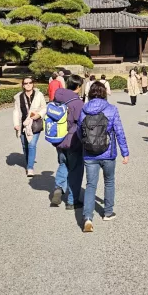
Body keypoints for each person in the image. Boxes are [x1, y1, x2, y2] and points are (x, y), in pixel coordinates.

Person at [80, 81, 130, 233]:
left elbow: (78, 131)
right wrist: (125, 152)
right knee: (109, 182)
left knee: (90, 185)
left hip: (89, 153)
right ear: (104, 93)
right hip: (108, 152)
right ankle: (108, 212)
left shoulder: (84, 110)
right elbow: (119, 132)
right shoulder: (111, 109)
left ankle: (88, 217)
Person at [51, 74, 85, 210]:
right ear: (78, 87)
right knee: (76, 169)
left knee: (63, 163)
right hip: (73, 141)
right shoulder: (77, 103)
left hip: (58, 138)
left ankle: (59, 187)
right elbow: (81, 122)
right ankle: (72, 200)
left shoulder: (58, 98)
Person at [12, 77, 46, 177]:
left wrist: (39, 115)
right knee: (24, 145)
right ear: (23, 85)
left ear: (33, 84)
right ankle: (28, 162)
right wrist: (16, 124)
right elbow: (16, 111)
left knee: (31, 144)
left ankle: (30, 167)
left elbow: (44, 107)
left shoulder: (39, 95)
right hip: (23, 123)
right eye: (25, 83)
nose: (28, 84)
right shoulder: (18, 97)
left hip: (34, 123)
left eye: (30, 82)